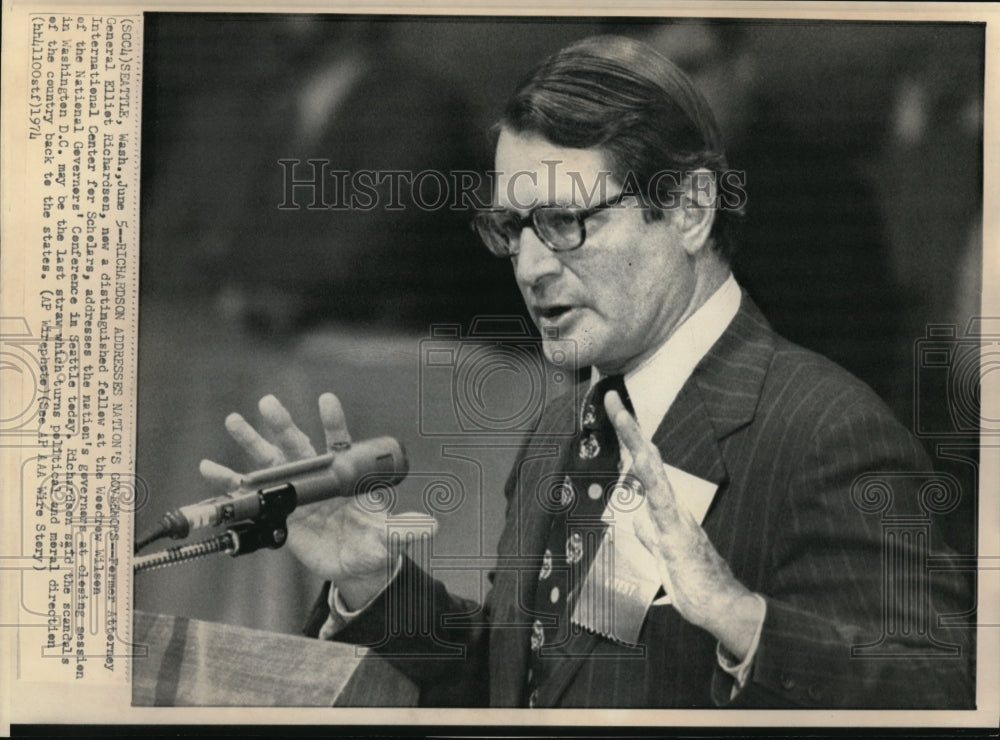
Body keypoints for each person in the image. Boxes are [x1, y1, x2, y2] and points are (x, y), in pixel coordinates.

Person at [200, 35, 974, 708]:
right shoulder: (559, 429)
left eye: (567, 221)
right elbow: (527, 686)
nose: (533, 266)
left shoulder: (823, 428)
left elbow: (946, 692)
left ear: (690, 209)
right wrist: (377, 587)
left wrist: (745, 623)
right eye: (513, 227)